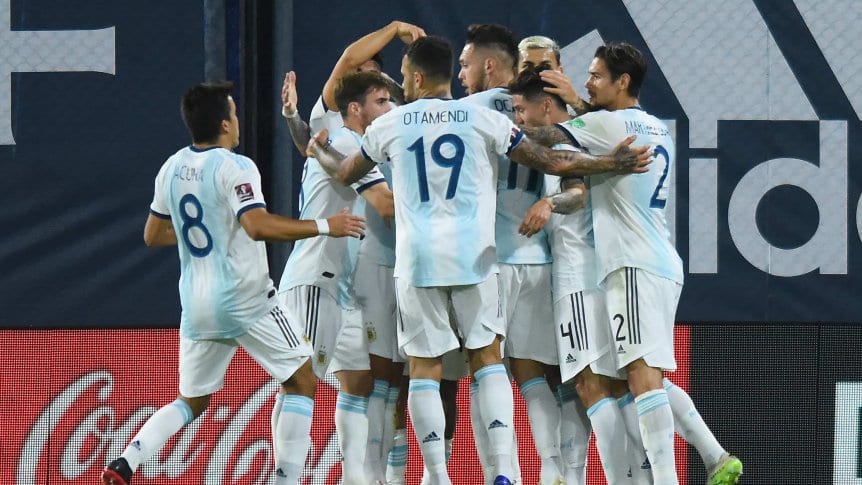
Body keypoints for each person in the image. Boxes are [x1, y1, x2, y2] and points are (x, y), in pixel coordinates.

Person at [305, 36, 652, 485]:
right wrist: (609, 162)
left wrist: (317, 148)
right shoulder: (484, 118)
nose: (401, 85)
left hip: (417, 261)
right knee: (488, 360)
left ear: (415, 78)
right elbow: (549, 160)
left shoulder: (391, 123)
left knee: (425, 368)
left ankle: (437, 475)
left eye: (404, 77)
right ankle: (505, 471)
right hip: (476, 258)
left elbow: (345, 171)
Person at [100, 81, 365, 485]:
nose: (238, 121)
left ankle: (126, 461)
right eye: (235, 114)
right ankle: (287, 480)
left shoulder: (171, 167)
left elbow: (153, 234)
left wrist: (213, 228)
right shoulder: (235, 166)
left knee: (191, 400)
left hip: (196, 304)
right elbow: (257, 226)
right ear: (225, 123)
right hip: (246, 298)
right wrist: (326, 225)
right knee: (302, 378)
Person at [551, 42, 742, 485]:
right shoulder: (655, 125)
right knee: (638, 373)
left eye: (596, 75)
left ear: (622, 82)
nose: (587, 82)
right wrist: (578, 102)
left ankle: (670, 477)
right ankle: (713, 456)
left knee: (640, 375)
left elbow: (546, 139)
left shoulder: (607, 124)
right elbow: (597, 125)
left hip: (632, 264)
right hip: (657, 260)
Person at [278, 71, 396, 485]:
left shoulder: (341, 143)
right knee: (300, 383)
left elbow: (308, 142)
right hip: (316, 277)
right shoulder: (346, 143)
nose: (389, 109)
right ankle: (286, 478)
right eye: (381, 101)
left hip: (341, 286)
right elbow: (386, 205)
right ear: (355, 109)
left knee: (359, 382)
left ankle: (354, 479)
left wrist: (292, 117)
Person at [458, 23, 559, 485]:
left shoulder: (470, 111)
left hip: (493, 258)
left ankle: (502, 473)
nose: (462, 74)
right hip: (540, 256)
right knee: (533, 372)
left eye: (466, 65)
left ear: (491, 65)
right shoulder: (550, 110)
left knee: (486, 365)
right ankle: (554, 470)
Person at [281, 20, 425, 155]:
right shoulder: (334, 107)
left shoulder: (392, 111)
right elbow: (349, 60)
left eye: (371, 74)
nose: (363, 79)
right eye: (358, 72)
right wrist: (395, 27)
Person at [517, 35, 590, 116]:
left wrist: (575, 100)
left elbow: (598, 122)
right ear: (515, 72)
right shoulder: (507, 110)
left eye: (545, 66)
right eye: (528, 67)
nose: (536, 74)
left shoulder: (572, 109)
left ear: (560, 70)